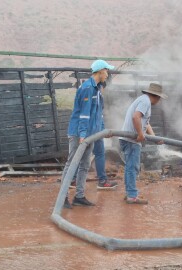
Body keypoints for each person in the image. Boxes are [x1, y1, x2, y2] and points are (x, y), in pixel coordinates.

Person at [62, 59, 114, 209]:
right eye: (106, 71)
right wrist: (83, 134)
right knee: (72, 164)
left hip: (91, 134)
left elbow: (98, 114)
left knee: (84, 164)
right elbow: (84, 114)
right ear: (99, 71)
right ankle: (63, 197)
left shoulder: (97, 90)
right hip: (80, 133)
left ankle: (79, 196)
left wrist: (102, 130)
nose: (107, 74)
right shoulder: (87, 89)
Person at [119, 83, 167, 204]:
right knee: (132, 167)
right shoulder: (145, 102)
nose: (159, 100)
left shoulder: (143, 100)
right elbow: (136, 117)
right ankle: (132, 196)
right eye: (160, 98)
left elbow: (146, 122)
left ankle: (129, 193)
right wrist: (140, 134)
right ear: (156, 96)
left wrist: (154, 138)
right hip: (131, 140)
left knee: (130, 167)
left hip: (127, 139)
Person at [69, 82, 118, 191]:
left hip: (93, 130)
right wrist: (85, 132)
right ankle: (101, 181)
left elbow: (99, 115)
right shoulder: (92, 94)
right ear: (101, 87)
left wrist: (103, 130)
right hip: (90, 130)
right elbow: (87, 115)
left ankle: (74, 179)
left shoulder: (97, 96)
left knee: (86, 154)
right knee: (93, 154)